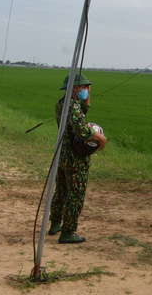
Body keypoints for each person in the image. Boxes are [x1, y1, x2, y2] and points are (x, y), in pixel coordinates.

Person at [49, 72, 107, 244]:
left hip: (62, 155)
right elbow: (81, 130)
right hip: (75, 158)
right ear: (74, 88)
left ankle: (55, 223)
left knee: (61, 191)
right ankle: (68, 232)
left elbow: (77, 116)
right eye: (84, 87)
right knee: (75, 195)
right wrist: (100, 138)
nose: (86, 90)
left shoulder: (62, 103)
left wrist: (86, 101)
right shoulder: (71, 107)